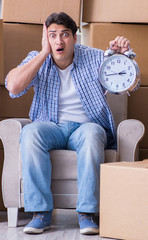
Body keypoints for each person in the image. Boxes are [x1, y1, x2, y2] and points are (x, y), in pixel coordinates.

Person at [6, 12, 131, 235]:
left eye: (64, 35)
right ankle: (40, 213)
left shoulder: (93, 57)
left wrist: (121, 56)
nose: (59, 41)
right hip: (50, 127)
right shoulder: (38, 58)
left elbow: (124, 82)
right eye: (52, 35)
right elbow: (13, 87)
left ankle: (86, 214)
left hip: (86, 126)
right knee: (30, 132)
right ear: (46, 38)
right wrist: (44, 52)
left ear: (75, 38)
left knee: (93, 134)